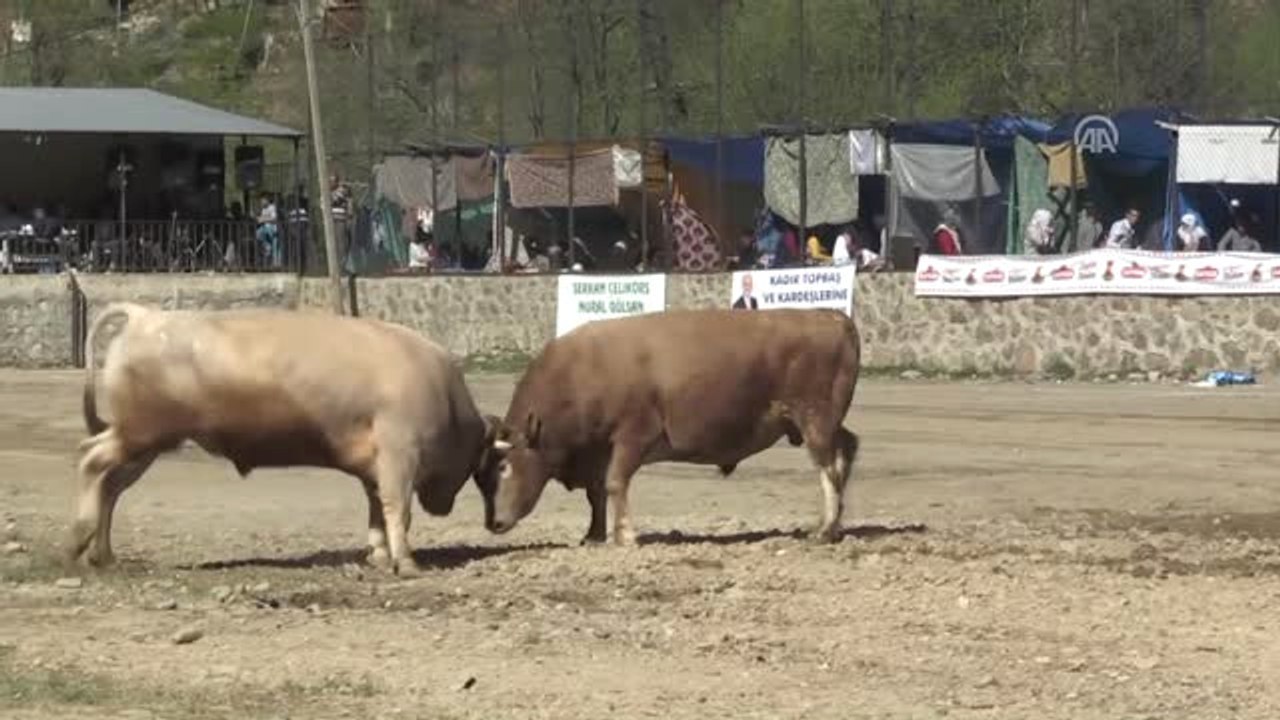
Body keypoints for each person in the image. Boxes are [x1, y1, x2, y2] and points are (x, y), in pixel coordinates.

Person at [255, 194, 280, 268]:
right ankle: (267, 263)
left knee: (260, 233)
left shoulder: (272, 207)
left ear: (267, 200)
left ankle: (275, 263)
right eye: (260, 201)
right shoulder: (263, 209)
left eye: (262, 200)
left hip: (271, 229)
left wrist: (263, 219)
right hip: (265, 229)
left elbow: (274, 218)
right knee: (266, 246)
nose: (261, 202)